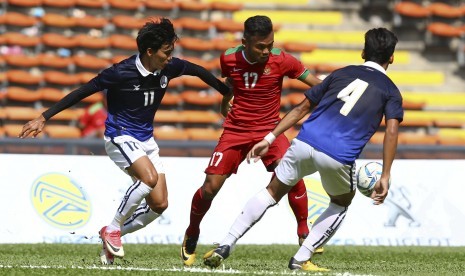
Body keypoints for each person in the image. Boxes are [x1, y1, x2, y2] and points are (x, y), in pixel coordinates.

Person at [18, 18, 232, 265]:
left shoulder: (168, 67)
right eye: (166, 52)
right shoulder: (120, 72)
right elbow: (82, 91)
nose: (170, 57)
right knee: (148, 179)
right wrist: (44, 117)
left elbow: (198, 70)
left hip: (146, 141)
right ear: (149, 51)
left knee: (159, 204)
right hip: (119, 135)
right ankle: (113, 229)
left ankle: (111, 234)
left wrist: (225, 92)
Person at [203, 27, 403, 271]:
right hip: (338, 156)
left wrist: (269, 137)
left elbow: (301, 108)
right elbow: (391, 132)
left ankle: (226, 243)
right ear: (391, 57)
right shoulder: (391, 90)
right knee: (341, 202)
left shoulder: (342, 73)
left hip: (304, 142)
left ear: (363, 52)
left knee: (271, 192)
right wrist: (385, 174)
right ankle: (302, 257)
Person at [181, 15, 322, 266]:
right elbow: (231, 83)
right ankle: (192, 232)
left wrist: (340, 90)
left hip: (271, 129)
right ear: (245, 42)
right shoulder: (228, 58)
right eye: (260, 47)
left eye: (270, 45)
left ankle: (304, 233)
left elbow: (316, 85)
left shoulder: (283, 60)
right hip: (236, 129)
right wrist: (225, 103)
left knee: (291, 175)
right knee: (211, 186)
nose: (267, 51)